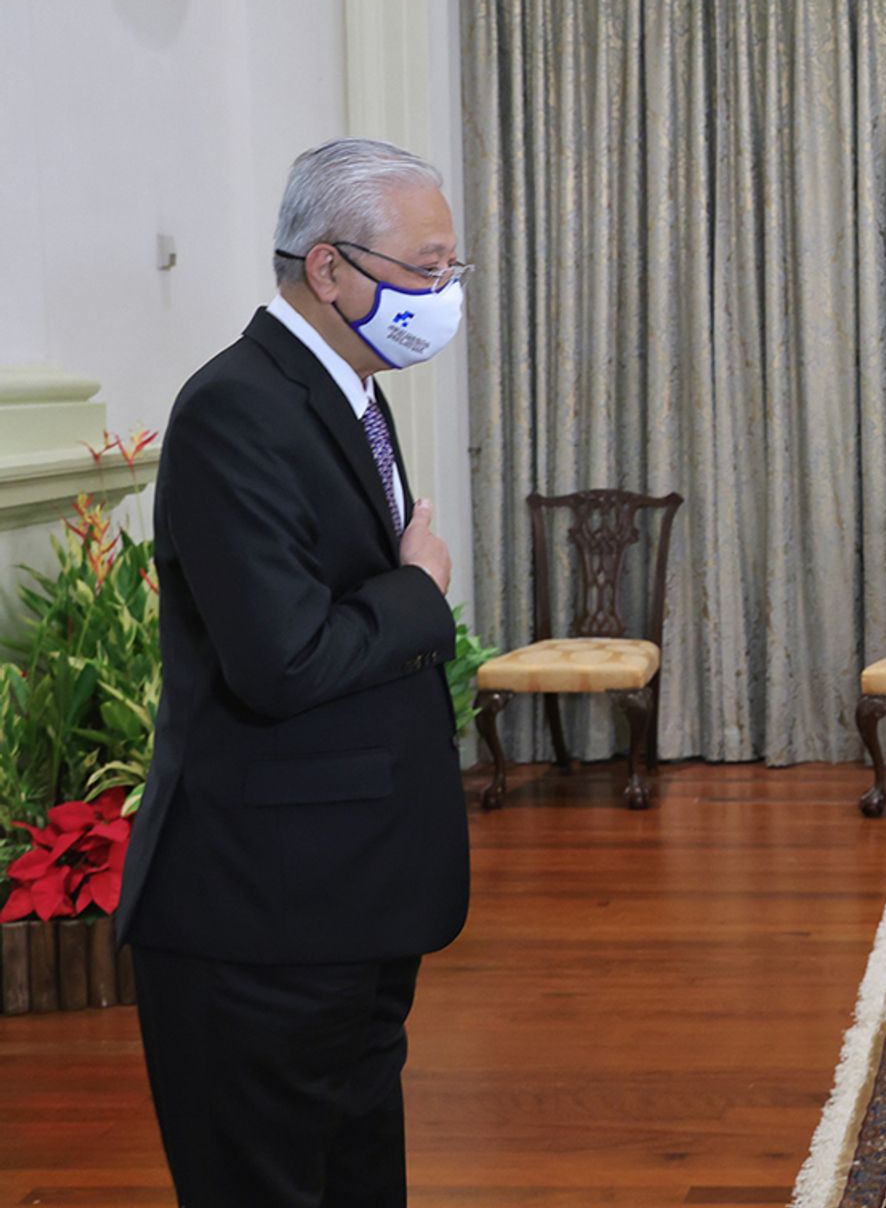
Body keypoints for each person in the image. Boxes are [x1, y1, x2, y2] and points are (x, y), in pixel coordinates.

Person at [117, 138, 473, 1206]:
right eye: (424, 267)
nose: (442, 294)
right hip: (260, 918)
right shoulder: (237, 407)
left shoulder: (348, 390)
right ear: (329, 268)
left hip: (345, 900)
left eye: (454, 269)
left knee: (355, 1172)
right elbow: (283, 658)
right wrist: (421, 593)